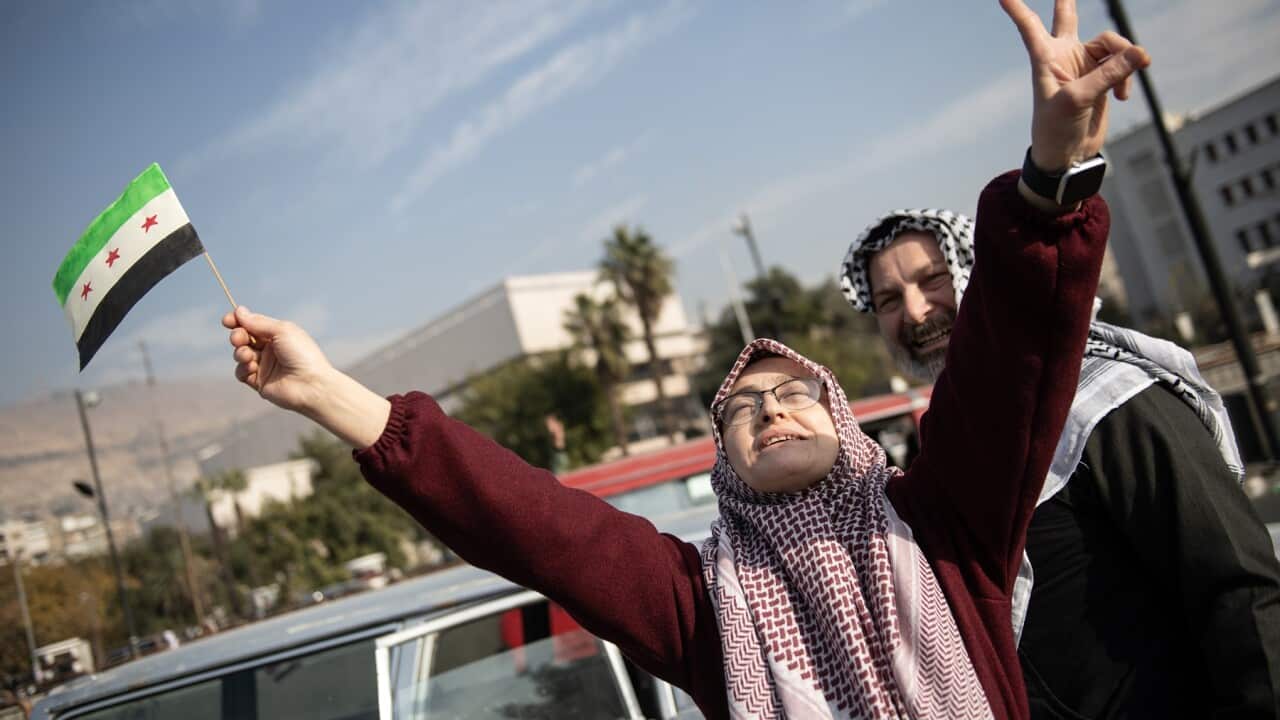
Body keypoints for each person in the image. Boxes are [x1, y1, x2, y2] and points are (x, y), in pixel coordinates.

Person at [223, 2, 1143, 717]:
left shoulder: (946, 524)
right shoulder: (699, 602)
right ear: (724, 463)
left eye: (793, 393)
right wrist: (327, 394)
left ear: (843, 417)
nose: (773, 409)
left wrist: (1054, 175)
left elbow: (1009, 363)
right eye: (745, 409)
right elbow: (533, 525)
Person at [838, 37, 1280, 720]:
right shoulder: (950, 453)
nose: (917, 312)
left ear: (976, 275)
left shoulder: (1108, 397)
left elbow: (1240, 592)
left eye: (931, 282)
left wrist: (1052, 174)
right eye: (890, 301)